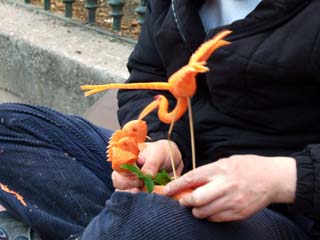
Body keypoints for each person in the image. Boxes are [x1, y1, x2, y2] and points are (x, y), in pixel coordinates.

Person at [0, 0, 319, 239]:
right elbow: (146, 75)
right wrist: (162, 141)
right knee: (9, 128)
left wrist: (282, 177)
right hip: (178, 178)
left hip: (281, 207)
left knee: (147, 222)